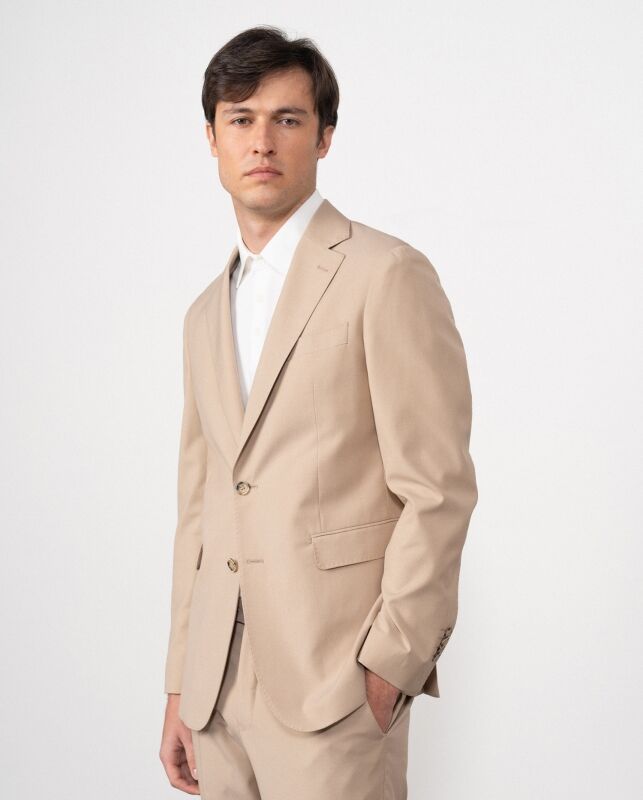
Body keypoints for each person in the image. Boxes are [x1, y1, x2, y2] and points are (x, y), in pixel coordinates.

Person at [159, 24, 478, 799]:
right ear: (211, 138)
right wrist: (179, 683)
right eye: (240, 119)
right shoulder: (203, 314)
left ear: (324, 136)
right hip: (214, 692)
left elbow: (437, 488)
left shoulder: (385, 273)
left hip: (333, 681)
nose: (261, 141)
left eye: (287, 119)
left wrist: (392, 661)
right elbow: (200, 508)